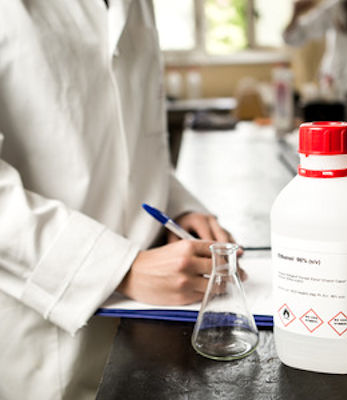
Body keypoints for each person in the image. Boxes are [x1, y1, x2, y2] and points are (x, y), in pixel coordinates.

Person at [0, 1, 237, 399]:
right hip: (41, 323)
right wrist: (119, 269)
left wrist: (180, 207)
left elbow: (129, 137)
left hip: (149, 322)